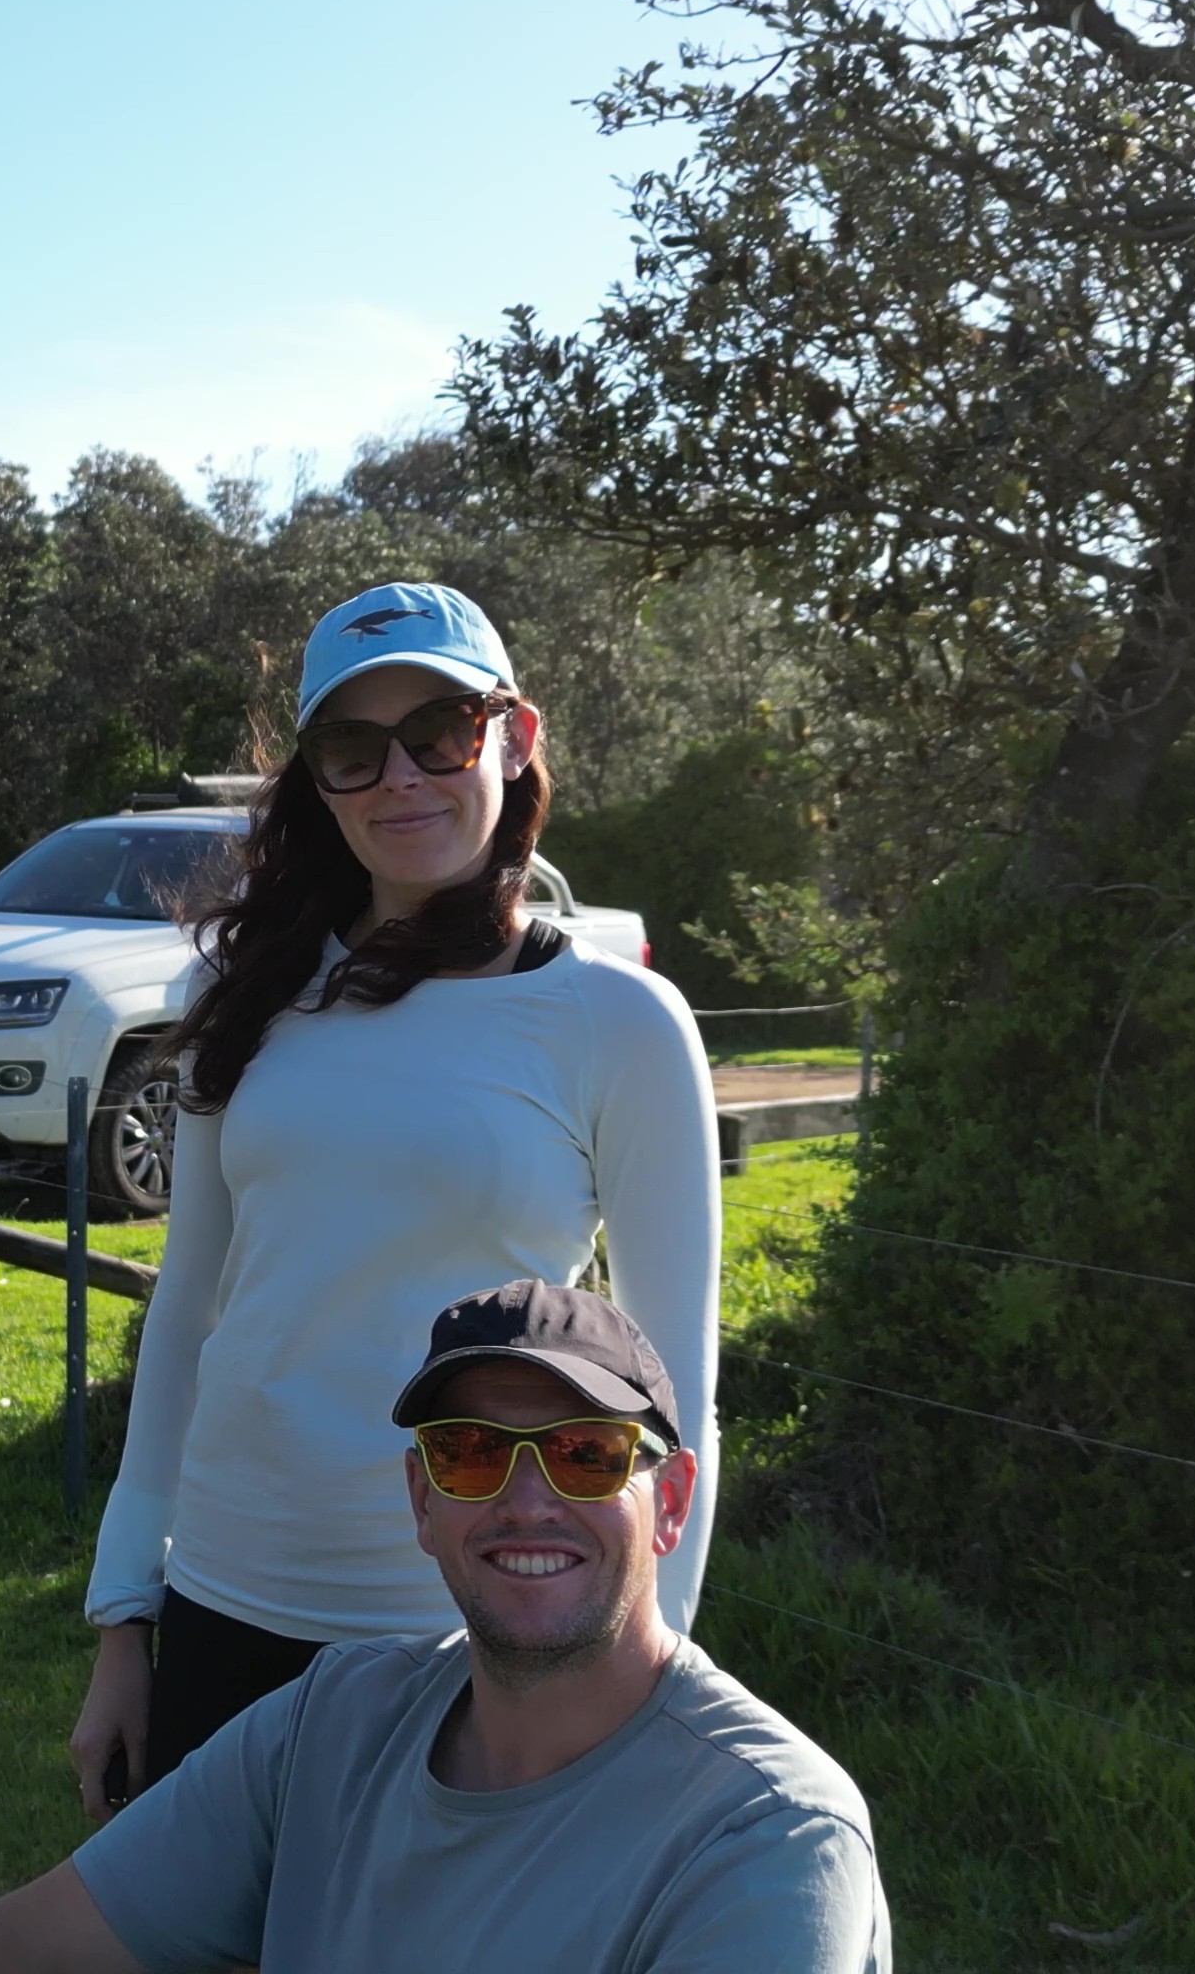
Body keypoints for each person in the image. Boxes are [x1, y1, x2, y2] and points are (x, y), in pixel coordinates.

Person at [73, 581, 724, 1815]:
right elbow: (188, 1313)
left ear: (513, 739)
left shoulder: (620, 1022)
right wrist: (126, 1619)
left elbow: (675, 1391)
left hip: (467, 1632)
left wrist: (649, 1685)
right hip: (223, 1601)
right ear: (316, 781)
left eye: (439, 731)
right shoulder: (247, 996)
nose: (400, 778)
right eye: (352, 748)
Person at [0, 1281, 888, 1973]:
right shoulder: (332, 1723)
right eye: (470, 1453)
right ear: (424, 1501)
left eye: (585, 1454)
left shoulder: (769, 1837)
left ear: (670, 1503)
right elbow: (17, 1945)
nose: (526, 1501)